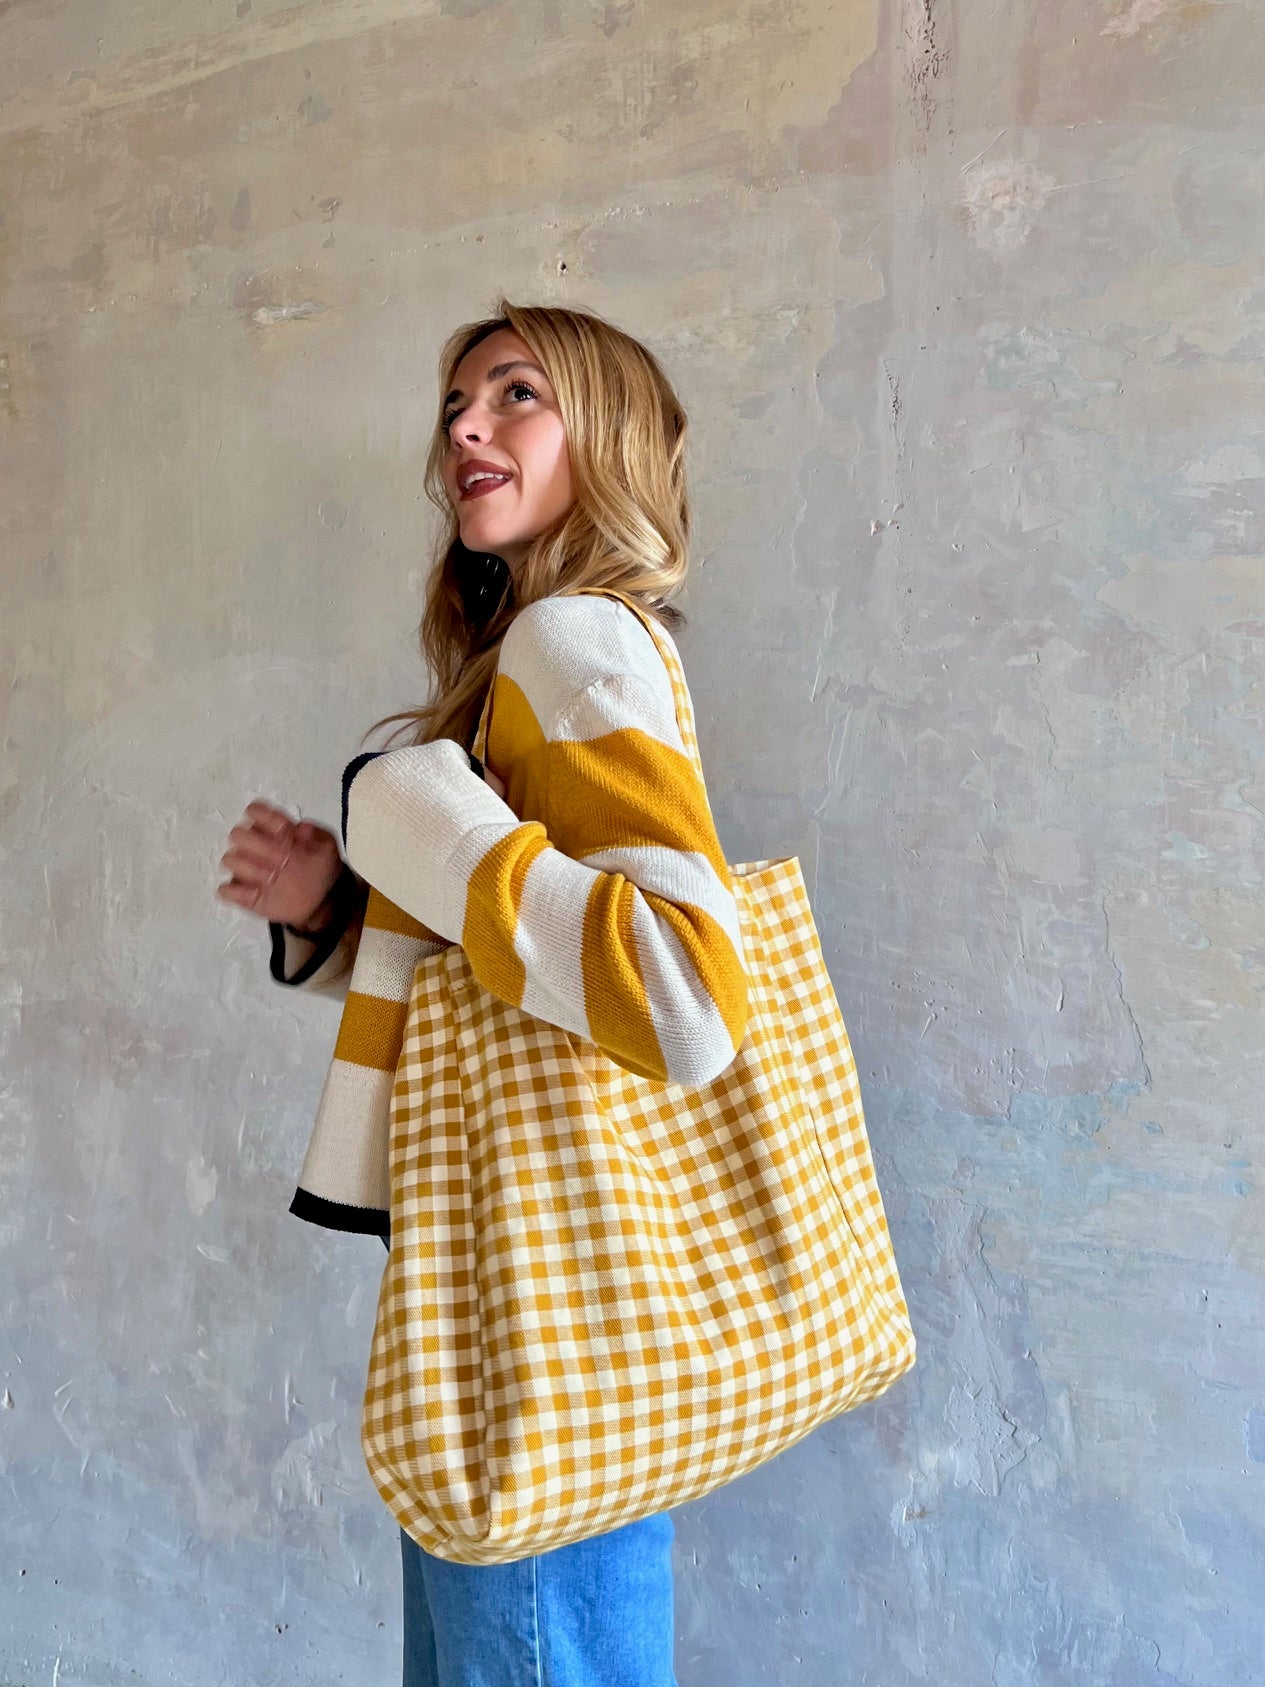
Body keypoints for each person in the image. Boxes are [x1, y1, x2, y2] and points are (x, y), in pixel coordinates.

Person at [215, 299, 749, 1687]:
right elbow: (512, 975)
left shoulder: (578, 642)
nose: (465, 427)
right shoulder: (522, 662)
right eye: (457, 404)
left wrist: (436, 829)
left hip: (539, 1284)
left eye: (517, 394)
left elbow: (682, 994)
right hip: (518, 1266)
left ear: (608, 437)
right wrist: (340, 907)